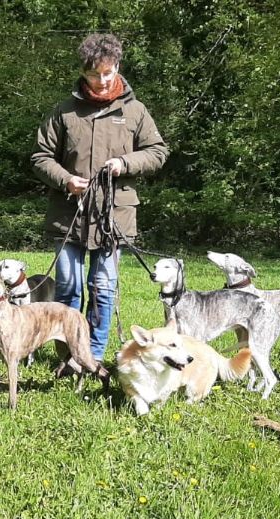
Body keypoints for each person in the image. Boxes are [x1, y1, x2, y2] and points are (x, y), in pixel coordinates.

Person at [31, 33, 168, 364]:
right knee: (67, 291)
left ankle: (92, 358)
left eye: (107, 73)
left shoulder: (135, 111)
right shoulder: (64, 112)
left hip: (114, 219)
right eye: (95, 74)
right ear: (84, 72)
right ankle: (67, 358)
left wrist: (125, 163)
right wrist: (65, 179)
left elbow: (158, 151)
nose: (102, 81)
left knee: (103, 290)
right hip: (68, 216)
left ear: (117, 67)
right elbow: (40, 157)